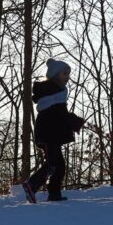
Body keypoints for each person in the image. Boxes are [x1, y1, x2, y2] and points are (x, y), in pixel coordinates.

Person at [20, 58, 85, 203]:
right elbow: (57, 114)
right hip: (48, 134)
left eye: (68, 74)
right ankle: (32, 184)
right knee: (52, 164)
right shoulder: (53, 91)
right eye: (65, 73)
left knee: (59, 165)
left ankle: (54, 193)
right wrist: (72, 120)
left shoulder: (55, 91)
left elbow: (59, 113)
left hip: (51, 133)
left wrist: (71, 120)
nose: (67, 77)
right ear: (56, 74)